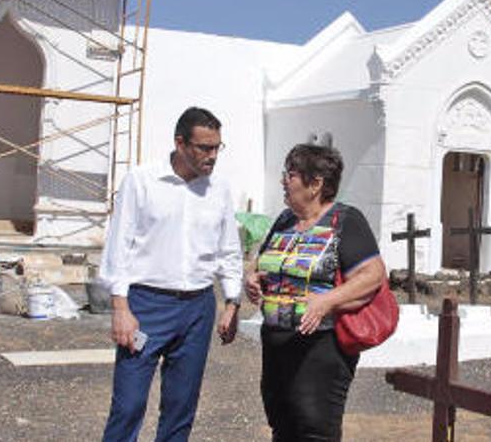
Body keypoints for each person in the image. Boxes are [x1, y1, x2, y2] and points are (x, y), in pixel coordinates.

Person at [97, 107, 243, 442]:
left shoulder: (218, 189)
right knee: (129, 404)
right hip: (145, 308)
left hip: (197, 310)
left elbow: (229, 251)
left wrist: (232, 302)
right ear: (180, 143)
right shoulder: (142, 180)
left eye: (218, 147)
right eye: (204, 148)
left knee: (181, 407)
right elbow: (118, 247)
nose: (212, 156)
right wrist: (121, 309)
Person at [244, 144, 387, 441]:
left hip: (321, 347)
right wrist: (253, 277)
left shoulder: (345, 221)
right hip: (276, 342)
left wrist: (326, 301)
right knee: (282, 426)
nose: (284, 180)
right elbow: (264, 261)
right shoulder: (285, 220)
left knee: (314, 429)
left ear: (316, 183)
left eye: (291, 174)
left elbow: (373, 275)